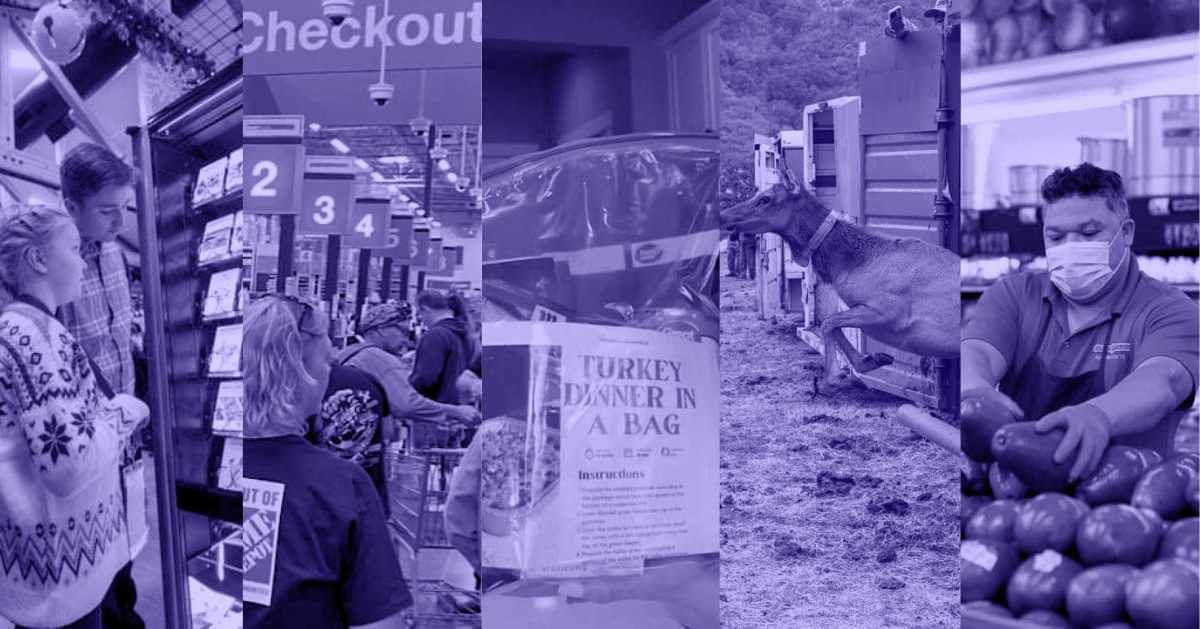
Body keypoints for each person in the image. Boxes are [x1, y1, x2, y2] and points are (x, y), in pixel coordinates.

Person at [962, 163, 1199, 481]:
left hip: (1129, 495)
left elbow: (1164, 380)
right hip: (1015, 489)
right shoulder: (1014, 295)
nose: (1069, 248)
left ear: (1126, 233)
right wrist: (974, 389)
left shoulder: (1170, 309)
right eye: (1056, 236)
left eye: (1089, 233)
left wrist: (1100, 415)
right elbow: (977, 351)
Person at [0, 204, 148, 629]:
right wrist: (124, 412)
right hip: (62, 580)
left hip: (44, 573)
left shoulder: (21, 328)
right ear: (38, 259)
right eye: (74, 249)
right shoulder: (34, 335)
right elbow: (68, 464)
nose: (83, 262)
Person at [243, 294, 411, 629]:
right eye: (325, 359)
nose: (330, 369)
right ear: (300, 370)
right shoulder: (342, 483)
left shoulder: (210, 467)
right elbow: (381, 622)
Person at [56, 142, 147, 629]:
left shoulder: (114, 254)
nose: (119, 221)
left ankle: (123, 613)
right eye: (107, 210)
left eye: (124, 208)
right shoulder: (50, 265)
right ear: (71, 207)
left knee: (125, 547)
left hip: (124, 439)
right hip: (84, 443)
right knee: (95, 564)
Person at [337, 302, 478, 444]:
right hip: (363, 443)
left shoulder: (347, 353)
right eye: (403, 331)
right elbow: (407, 404)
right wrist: (456, 412)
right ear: (382, 330)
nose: (406, 340)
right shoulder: (379, 358)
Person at [312, 363, 392, 514]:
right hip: (369, 499)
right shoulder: (368, 378)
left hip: (321, 502)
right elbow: (389, 431)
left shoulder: (306, 382)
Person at [411, 291, 475, 404]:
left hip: (437, 407)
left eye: (419, 313)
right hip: (461, 405)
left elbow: (425, 377)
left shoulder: (435, 335)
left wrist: (404, 390)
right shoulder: (465, 333)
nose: (421, 318)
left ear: (425, 309)